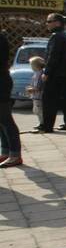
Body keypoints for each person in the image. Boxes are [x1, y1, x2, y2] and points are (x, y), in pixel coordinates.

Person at [35, 13, 66, 133]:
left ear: (57, 23)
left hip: (57, 74)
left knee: (49, 100)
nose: (47, 24)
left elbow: (53, 56)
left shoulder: (56, 36)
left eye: (49, 21)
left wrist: (47, 72)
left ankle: (47, 126)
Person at [0, 34, 20, 167]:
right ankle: (6, 151)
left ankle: (15, 154)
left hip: (1, 81)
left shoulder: (1, 39)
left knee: (5, 119)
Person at [28, 57, 45, 124]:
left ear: (35, 66)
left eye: (31, 65)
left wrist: (31, 89)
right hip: (36, 96)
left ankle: (42, 123)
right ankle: (41, 122)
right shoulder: (37, 73)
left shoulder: (39, 74)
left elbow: (38, 86)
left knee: (39, 110)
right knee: (36, 110)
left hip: (38, 96)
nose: (31, 67)